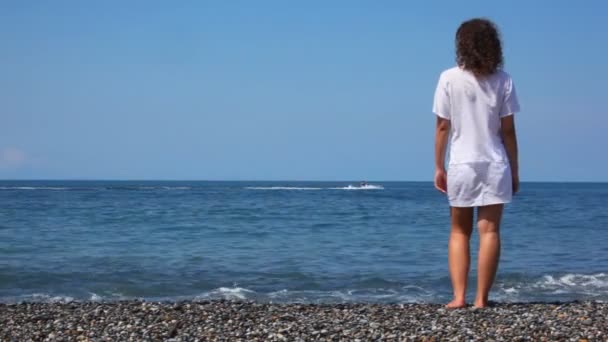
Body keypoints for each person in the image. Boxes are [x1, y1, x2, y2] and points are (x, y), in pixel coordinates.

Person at [433, 18, 520, 308]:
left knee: (459, 231)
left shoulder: (448, 78)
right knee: (490, 231)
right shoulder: (503, 80)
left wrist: (438, 166)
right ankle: (482, 299)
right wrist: (515, 170)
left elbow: (443, 127)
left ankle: (459, 297)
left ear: (462, 45)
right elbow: (507, 130)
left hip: (462, 162)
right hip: (495, 161)